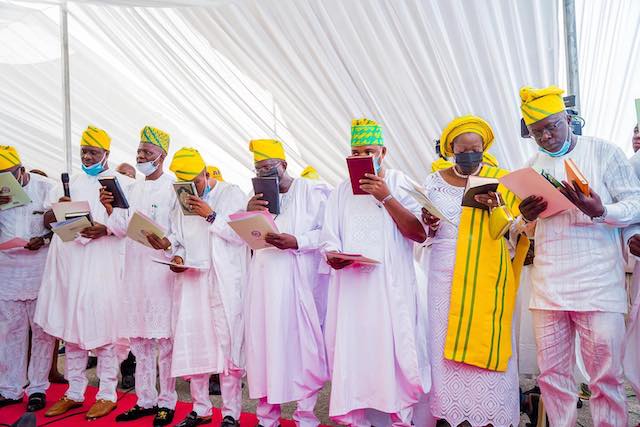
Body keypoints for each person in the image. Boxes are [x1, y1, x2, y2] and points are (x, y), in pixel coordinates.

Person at [517, 85, 640, 426]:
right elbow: (526, 231)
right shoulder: (531, 166)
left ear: (568, 118)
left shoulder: (604, 152)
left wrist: (601, 210)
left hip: (598, 285)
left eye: (552, 125)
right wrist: (526, 216)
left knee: (605, 378)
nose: (546, 135)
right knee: (553, 377)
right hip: (548, 287)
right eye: (537, 131)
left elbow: (635, 203)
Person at [420, 116, 528, 426]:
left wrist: (497, 207)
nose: (469, 154)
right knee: (443, 343)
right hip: (443, 272)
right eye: (462, 149)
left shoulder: (501, 179)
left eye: (476, 149)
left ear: (484, 148)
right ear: (450, 148)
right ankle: (451, 413)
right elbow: (424, 234)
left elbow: (517, 230)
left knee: (488, 336)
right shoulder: (433, 181)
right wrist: (430, 224)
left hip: (487, 273)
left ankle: (490, 413)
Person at [321, 118, 427, 427]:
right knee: (355, 352)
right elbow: (330, 236)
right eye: (355, 152)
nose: (360, 158)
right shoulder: (341, 191)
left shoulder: (400, 181)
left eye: (367, 151)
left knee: (391, 353)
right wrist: (333, 256)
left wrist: (386, 196)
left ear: (383, 152)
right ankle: (358, 417)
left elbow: (418, 233)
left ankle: (399, 417)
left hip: (389, 289)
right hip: (352, 291)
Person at [35, 126, 134, 420]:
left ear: (106, 155)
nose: (87, 156)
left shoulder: (118, 182)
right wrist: (57, 211)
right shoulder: (68, 182)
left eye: (93, 152)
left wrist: (106, 227)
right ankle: (74, 392)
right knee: (72, 333)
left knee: (102, 332)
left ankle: (106, 393)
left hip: (100, 264)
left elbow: (128, 223)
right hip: (70, 263)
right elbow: (47, 219)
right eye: (83, 151)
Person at [244, 139, 330, 427]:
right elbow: (244, 237)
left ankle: (305, 417)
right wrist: (249, 211)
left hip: (299, 281)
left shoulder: (314, 191)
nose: (265, 173)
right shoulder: (257, 196)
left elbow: (329, 234)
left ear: (284, 165)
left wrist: (299, 241)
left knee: (302, 347)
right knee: (265, 344)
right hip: (264, 281)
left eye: (269, 167)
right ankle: (267, 417)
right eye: (259, 169)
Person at [100, 126, 178, 426]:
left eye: (147, 152)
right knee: (141, 342)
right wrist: (110, 209)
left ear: (162, 156)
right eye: (140, 151)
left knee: (164, 343)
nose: (142, 156)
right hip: (134, 272)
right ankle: (145, 400)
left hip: (161, 271)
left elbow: (179, 231)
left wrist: (168, 242)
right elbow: (120, 228)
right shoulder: (132, 188)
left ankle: (167, 402)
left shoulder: (173, 188)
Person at [167, 147, 249, 427]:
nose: (192, 190)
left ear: (205, 173)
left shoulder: (231, 193)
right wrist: (176, 255)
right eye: (185, 185)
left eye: (196, 182)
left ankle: (230, 414)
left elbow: (241, 236)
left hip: (222, 282)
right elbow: (175, 237)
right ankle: (200, 409)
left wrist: (211, 215)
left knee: (226, 348)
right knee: (194, 344)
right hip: (192, 281)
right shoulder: (179, 199)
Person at [0, 146, 56, 412]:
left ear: (21, 170)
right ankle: (9, 388)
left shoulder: (47, 187)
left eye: (8, 176)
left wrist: (45, 237)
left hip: (40, 269)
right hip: (7, 271)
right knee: (10, 331)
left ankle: (37, 388)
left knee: (42, 332)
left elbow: (65, 226)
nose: (5, 183)